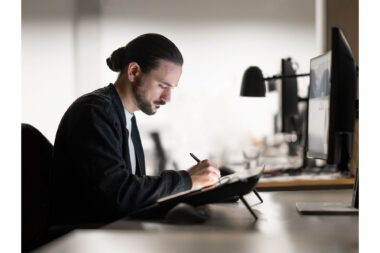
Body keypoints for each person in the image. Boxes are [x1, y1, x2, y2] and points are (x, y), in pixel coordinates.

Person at [51, 33, 220, 226]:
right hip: (90, 239)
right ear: (133, 72)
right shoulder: (95, 111)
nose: (167, 98)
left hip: (114, 231)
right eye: (162, 85)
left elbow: (131, 189)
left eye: (171, 88)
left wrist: (187, 185)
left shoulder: (126, 116)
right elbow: (119, 194)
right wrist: (186, 180)